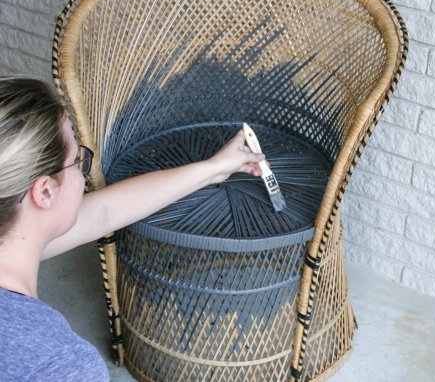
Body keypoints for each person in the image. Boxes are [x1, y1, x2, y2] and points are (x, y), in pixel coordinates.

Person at [0, 76, 266, 381]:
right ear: (45, 191)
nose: (83, 172)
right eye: (78, 161)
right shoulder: (58, 366)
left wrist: (214, 168)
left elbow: (103, 212)